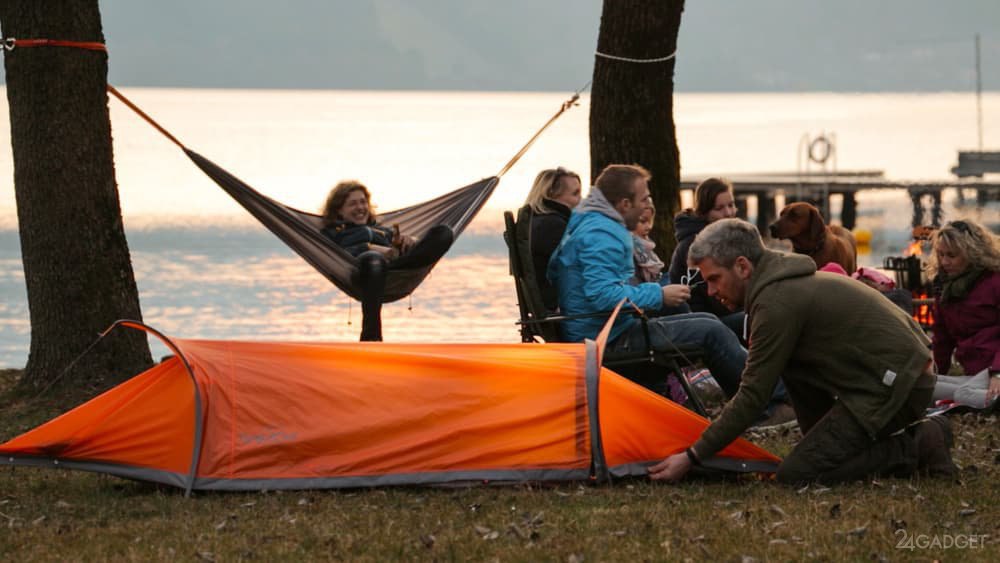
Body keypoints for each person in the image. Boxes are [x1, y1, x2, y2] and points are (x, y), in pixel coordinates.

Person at [648, 218, 956, 484]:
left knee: (797, 474)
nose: (712, 292)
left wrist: (691, 456)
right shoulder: (779, 286)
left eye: (714, 279)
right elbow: (799, 373)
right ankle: (904, 441)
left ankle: (921, 444)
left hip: (899, 386)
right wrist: (817, 438)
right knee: (815, 450)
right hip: (888, 379)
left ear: (742, 266)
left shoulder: (775, 304)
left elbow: (752, 396)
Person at [547, 164, 748, 399]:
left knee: (708, 320)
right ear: (624, 204)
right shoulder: (601, 235)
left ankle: (746, 401)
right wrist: (660, 294)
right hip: (607, 340)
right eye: (644, 199)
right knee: (711, 331)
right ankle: (770, 402)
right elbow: (602, 295)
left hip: (603, 330)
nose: (647, 205)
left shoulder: (594, 223)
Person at [321, 180, 453, 341]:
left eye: (363, 202)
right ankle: (371, 337)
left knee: (444, 233)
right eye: (353, 204)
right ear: (339, 211)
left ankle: (400, 265)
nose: (360, 208)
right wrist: (372, 249)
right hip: (364, 271)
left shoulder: (382, 230)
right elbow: (340, 253)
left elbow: (402, 243)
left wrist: (408, 241)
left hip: (395, 269)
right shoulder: (334, 232)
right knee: (375, 260)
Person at [927, 219, 1000, 410]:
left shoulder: (994, 281)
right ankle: (986, 398)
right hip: (975, 374)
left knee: (963, 393)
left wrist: (997, 374)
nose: (944, 262)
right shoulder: (945, 287)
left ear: (971, 253)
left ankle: (989, 397)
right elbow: (942, 338)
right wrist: (936, 371)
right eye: (941, 254)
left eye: (952, 255)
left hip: (995, 368)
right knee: (925, 386)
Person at [668, 178, 743, 334]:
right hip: (702, 322)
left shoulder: (722, 238)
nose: (729, 213)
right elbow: (717, 300)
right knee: (759, 317)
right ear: (704, 212)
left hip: (720, 315)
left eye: (731, 205)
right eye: (719, 208)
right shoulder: (698, 245)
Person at [521, 167, 583, 311]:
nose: (581, 200)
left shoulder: (536, 222)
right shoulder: (553, 226)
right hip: (566, 310)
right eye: (575, 194)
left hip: (550, 306)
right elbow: (579, 268)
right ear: (551, 194)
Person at [631, 205, 666, 284]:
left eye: (650, 221)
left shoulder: (645, 247)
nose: (649, 227)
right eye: (643, 221)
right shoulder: (628, 250)